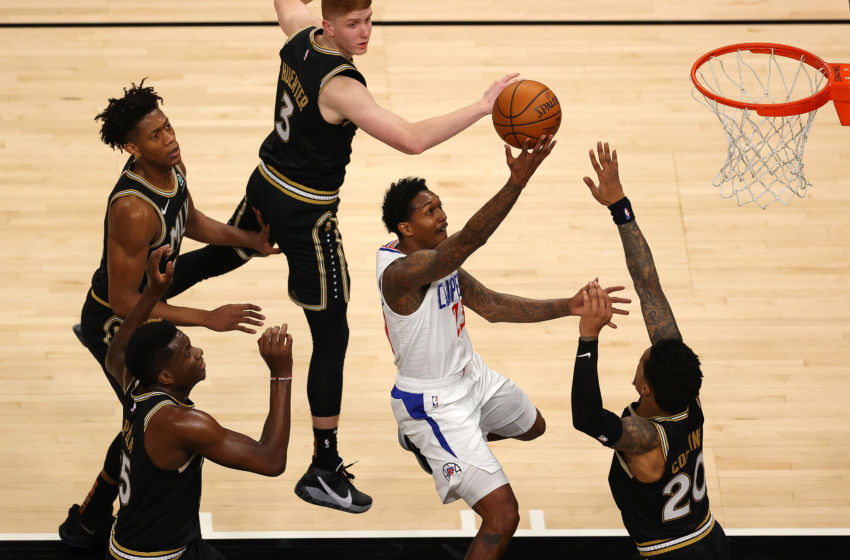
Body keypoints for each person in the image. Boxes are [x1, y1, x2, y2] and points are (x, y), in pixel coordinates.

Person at [166, 0, 520, 513]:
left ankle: (131, 296)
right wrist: (484, 105)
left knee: (228, 254)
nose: (365, 33)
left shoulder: (301, 34)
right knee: (332, 335)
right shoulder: (342, 86)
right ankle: (323, 468)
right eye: (353, 24)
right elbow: (413, 140)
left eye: (369, 20)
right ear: (330, 24)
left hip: (267, 181)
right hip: (308, 215)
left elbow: (288, 6)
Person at [377, 137, 630, 560]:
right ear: (405, 229)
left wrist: (568, 307)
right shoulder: (403, 273)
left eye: (440, 206)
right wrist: (515, 184)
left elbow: (491, 306)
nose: (442, 216)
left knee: (534, 427)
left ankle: (434, 449)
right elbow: (470, 239)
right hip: (432, 401)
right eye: (430, 212)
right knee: (503, 518)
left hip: (471, 377)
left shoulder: (437, 257)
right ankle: (431, 442)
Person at [60, 80, 280, 548]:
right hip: (120, 317)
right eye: (157, 135)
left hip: (154, 281)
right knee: (139, 420)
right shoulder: (133, 211)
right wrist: (206, 318)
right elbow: (124, 301)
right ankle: (94, 516)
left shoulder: (171, 167)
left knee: (226, 253)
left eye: (168, 126)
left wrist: (250, 241)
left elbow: (192, 220)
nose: (170, 138)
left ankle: (92, 516)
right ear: (132, 148)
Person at [570, 142, 730, 559]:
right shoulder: (683, 392)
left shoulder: (647, 438)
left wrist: (588, 338)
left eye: (642, 366)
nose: (638, 363)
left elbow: (587, 418)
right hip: (709, 538)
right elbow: (649, 289)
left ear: (648, 390)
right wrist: (619, 206)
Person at [102, 246, 293, 560]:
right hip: (160, 556)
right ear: (165, 375)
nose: (199, 353)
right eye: (187, 353)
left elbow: (118, 352)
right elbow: (270, 461)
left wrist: (153, 293)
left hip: (131, 544)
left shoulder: (136, 385)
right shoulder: (181, 424)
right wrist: (281, 375)